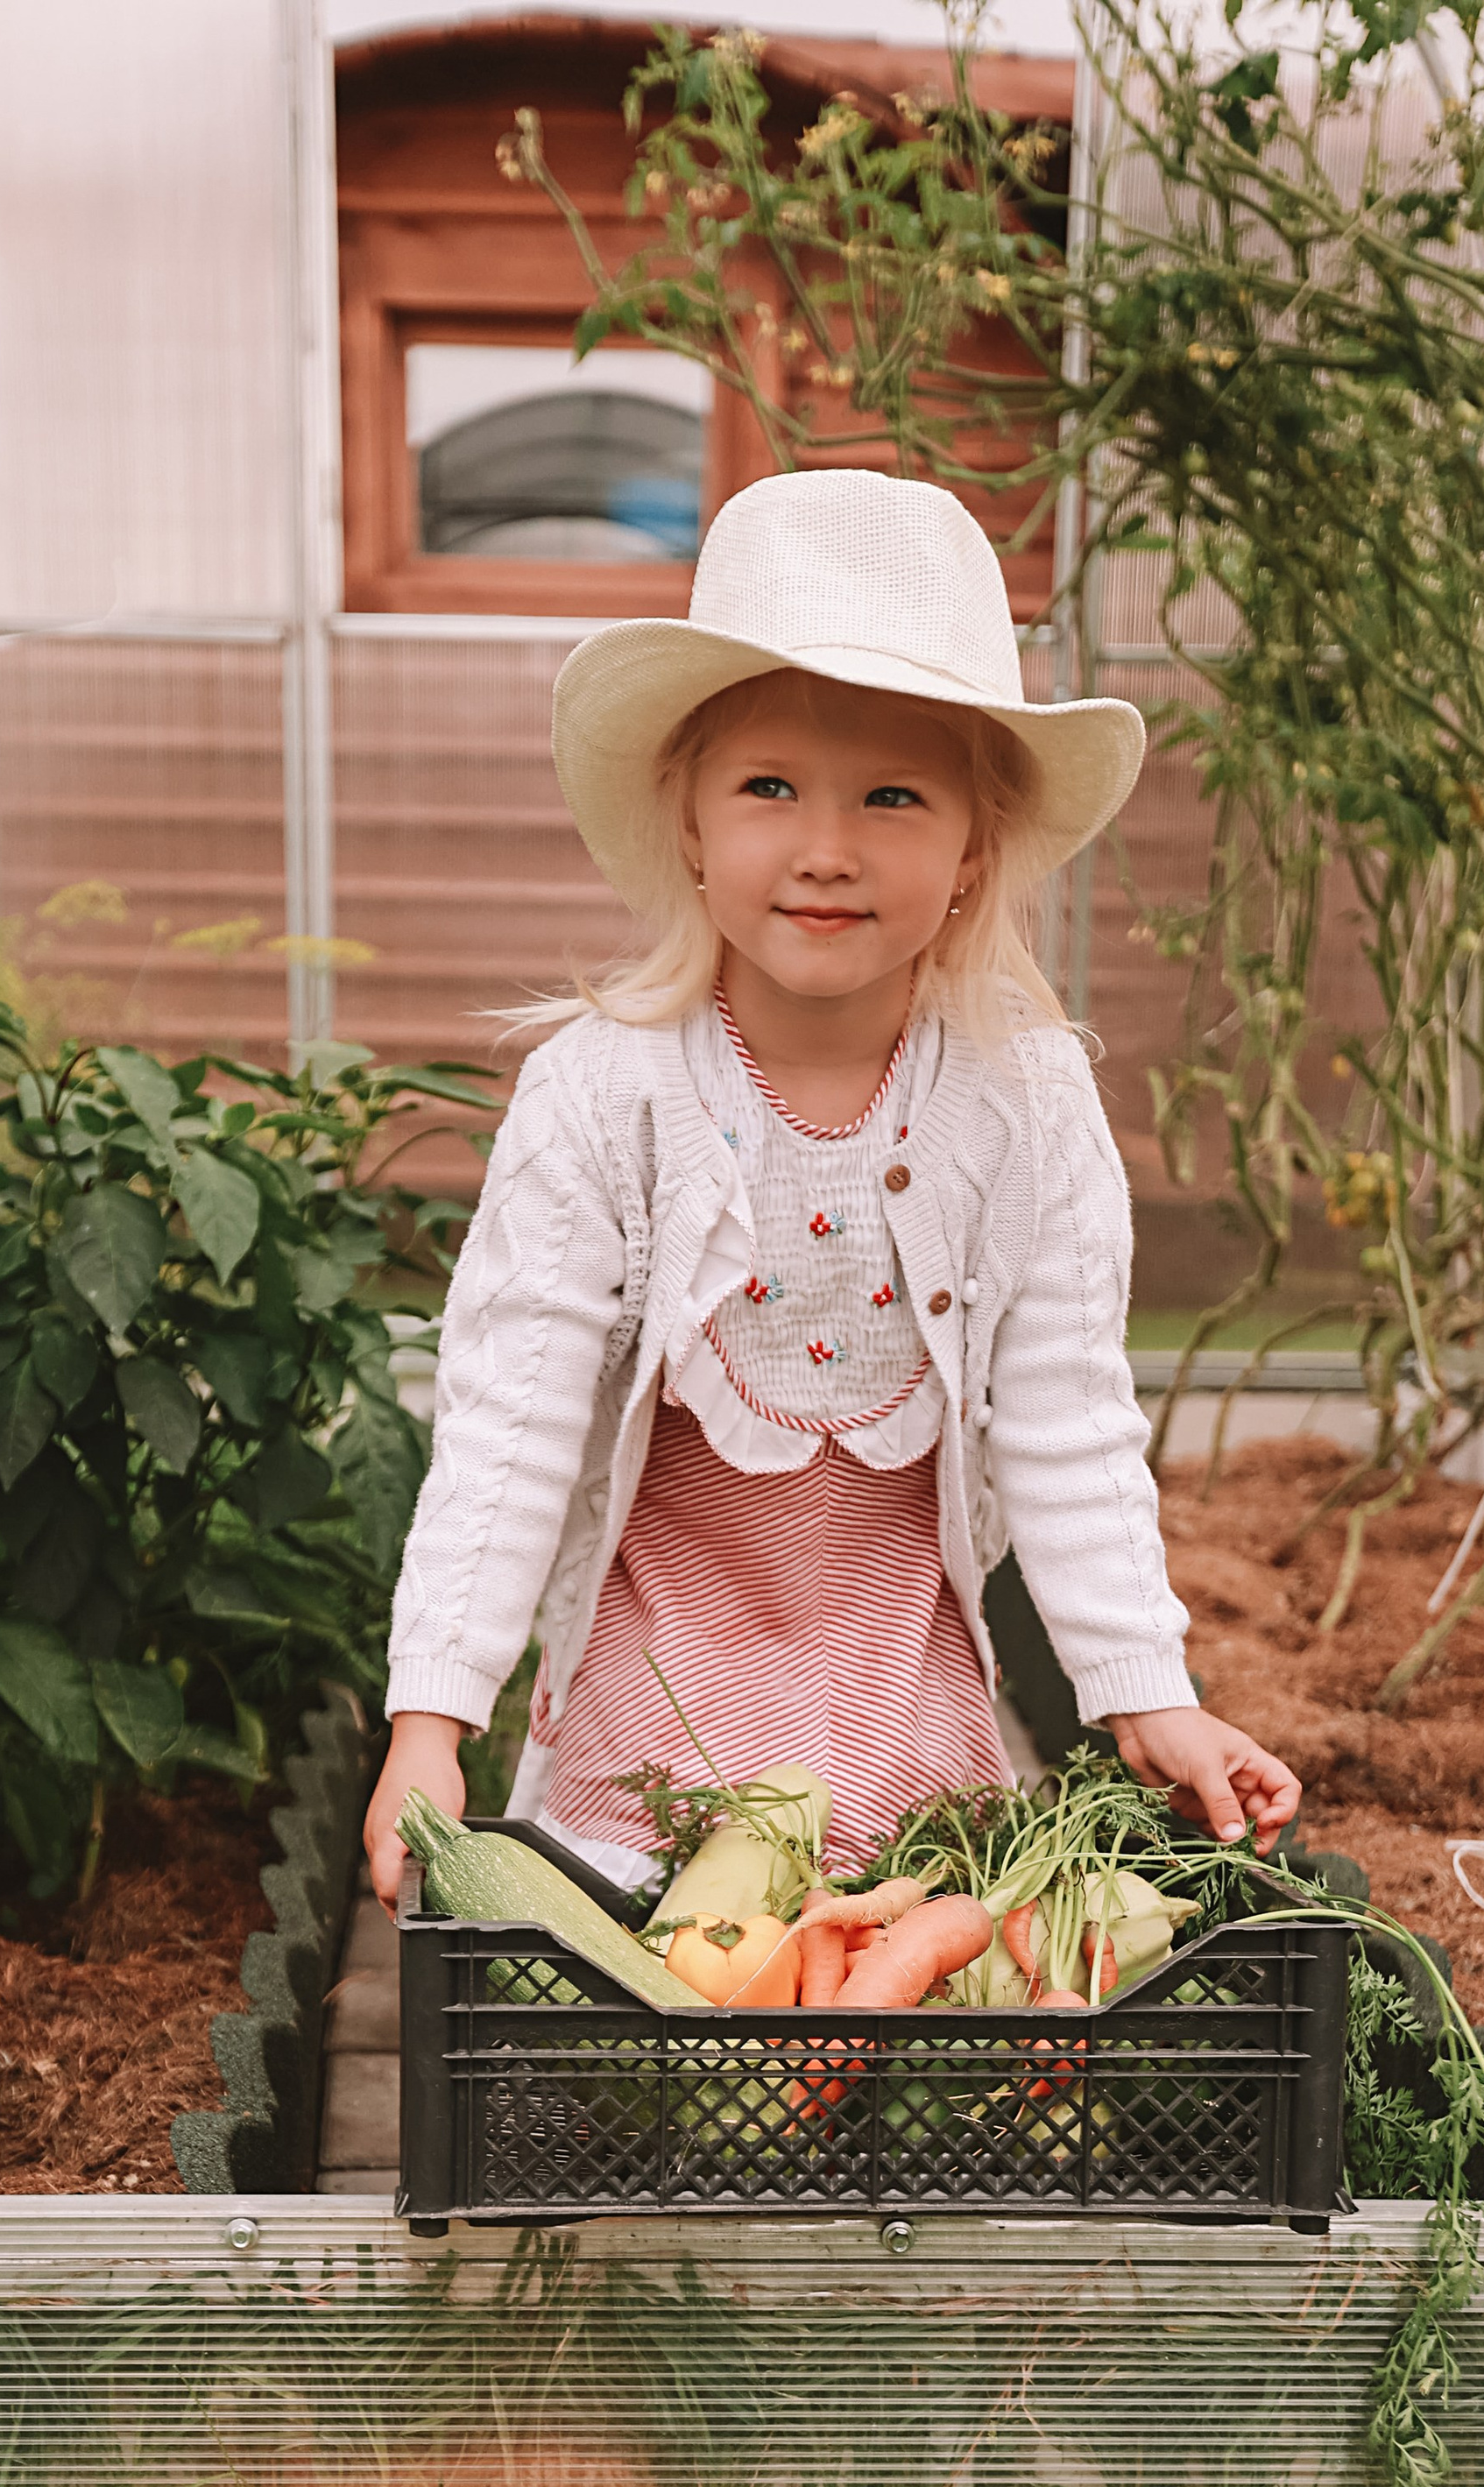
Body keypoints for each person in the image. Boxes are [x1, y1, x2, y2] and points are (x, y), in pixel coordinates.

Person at [364, 470, 1299, 1909]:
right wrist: (433, 1718)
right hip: (657, 1687)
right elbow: (511, 1417)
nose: (827, 846)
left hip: (894, 1678)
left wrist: (1142, 1693)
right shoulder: (605, 1094)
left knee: (886, 1984)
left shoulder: (1025, 1105)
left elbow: (1068, 1416)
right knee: (657, 1989)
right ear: (688, 819)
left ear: (975, 845)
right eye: (771, 788)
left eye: (893, 797)